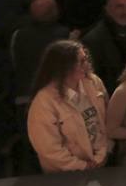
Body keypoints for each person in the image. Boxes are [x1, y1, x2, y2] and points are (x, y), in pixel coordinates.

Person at [26, 40, 109, 173]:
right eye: (81, 61)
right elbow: (49, 149)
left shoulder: (94, 83)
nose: (86, 65)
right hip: (65, 176)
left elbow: (105, 123)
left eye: (86, 59)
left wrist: (102, 155)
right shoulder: (44, 101)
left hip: (100, 164)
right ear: (63, 67)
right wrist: (83, 165)